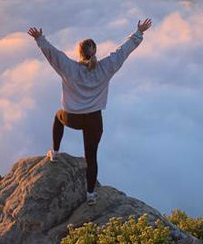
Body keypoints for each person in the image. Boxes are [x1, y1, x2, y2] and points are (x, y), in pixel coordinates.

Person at [28, 19, 152, 205]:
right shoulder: (106, 67)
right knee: (91, 158)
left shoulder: (69, 68)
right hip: (93, 120)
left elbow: (52, 54)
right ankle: (90, 195)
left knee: (57, 116)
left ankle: (54, 152)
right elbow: (123, 52)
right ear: (95, 52)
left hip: (71, 118)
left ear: (80, 53)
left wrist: (39, 39)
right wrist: (139, 32)